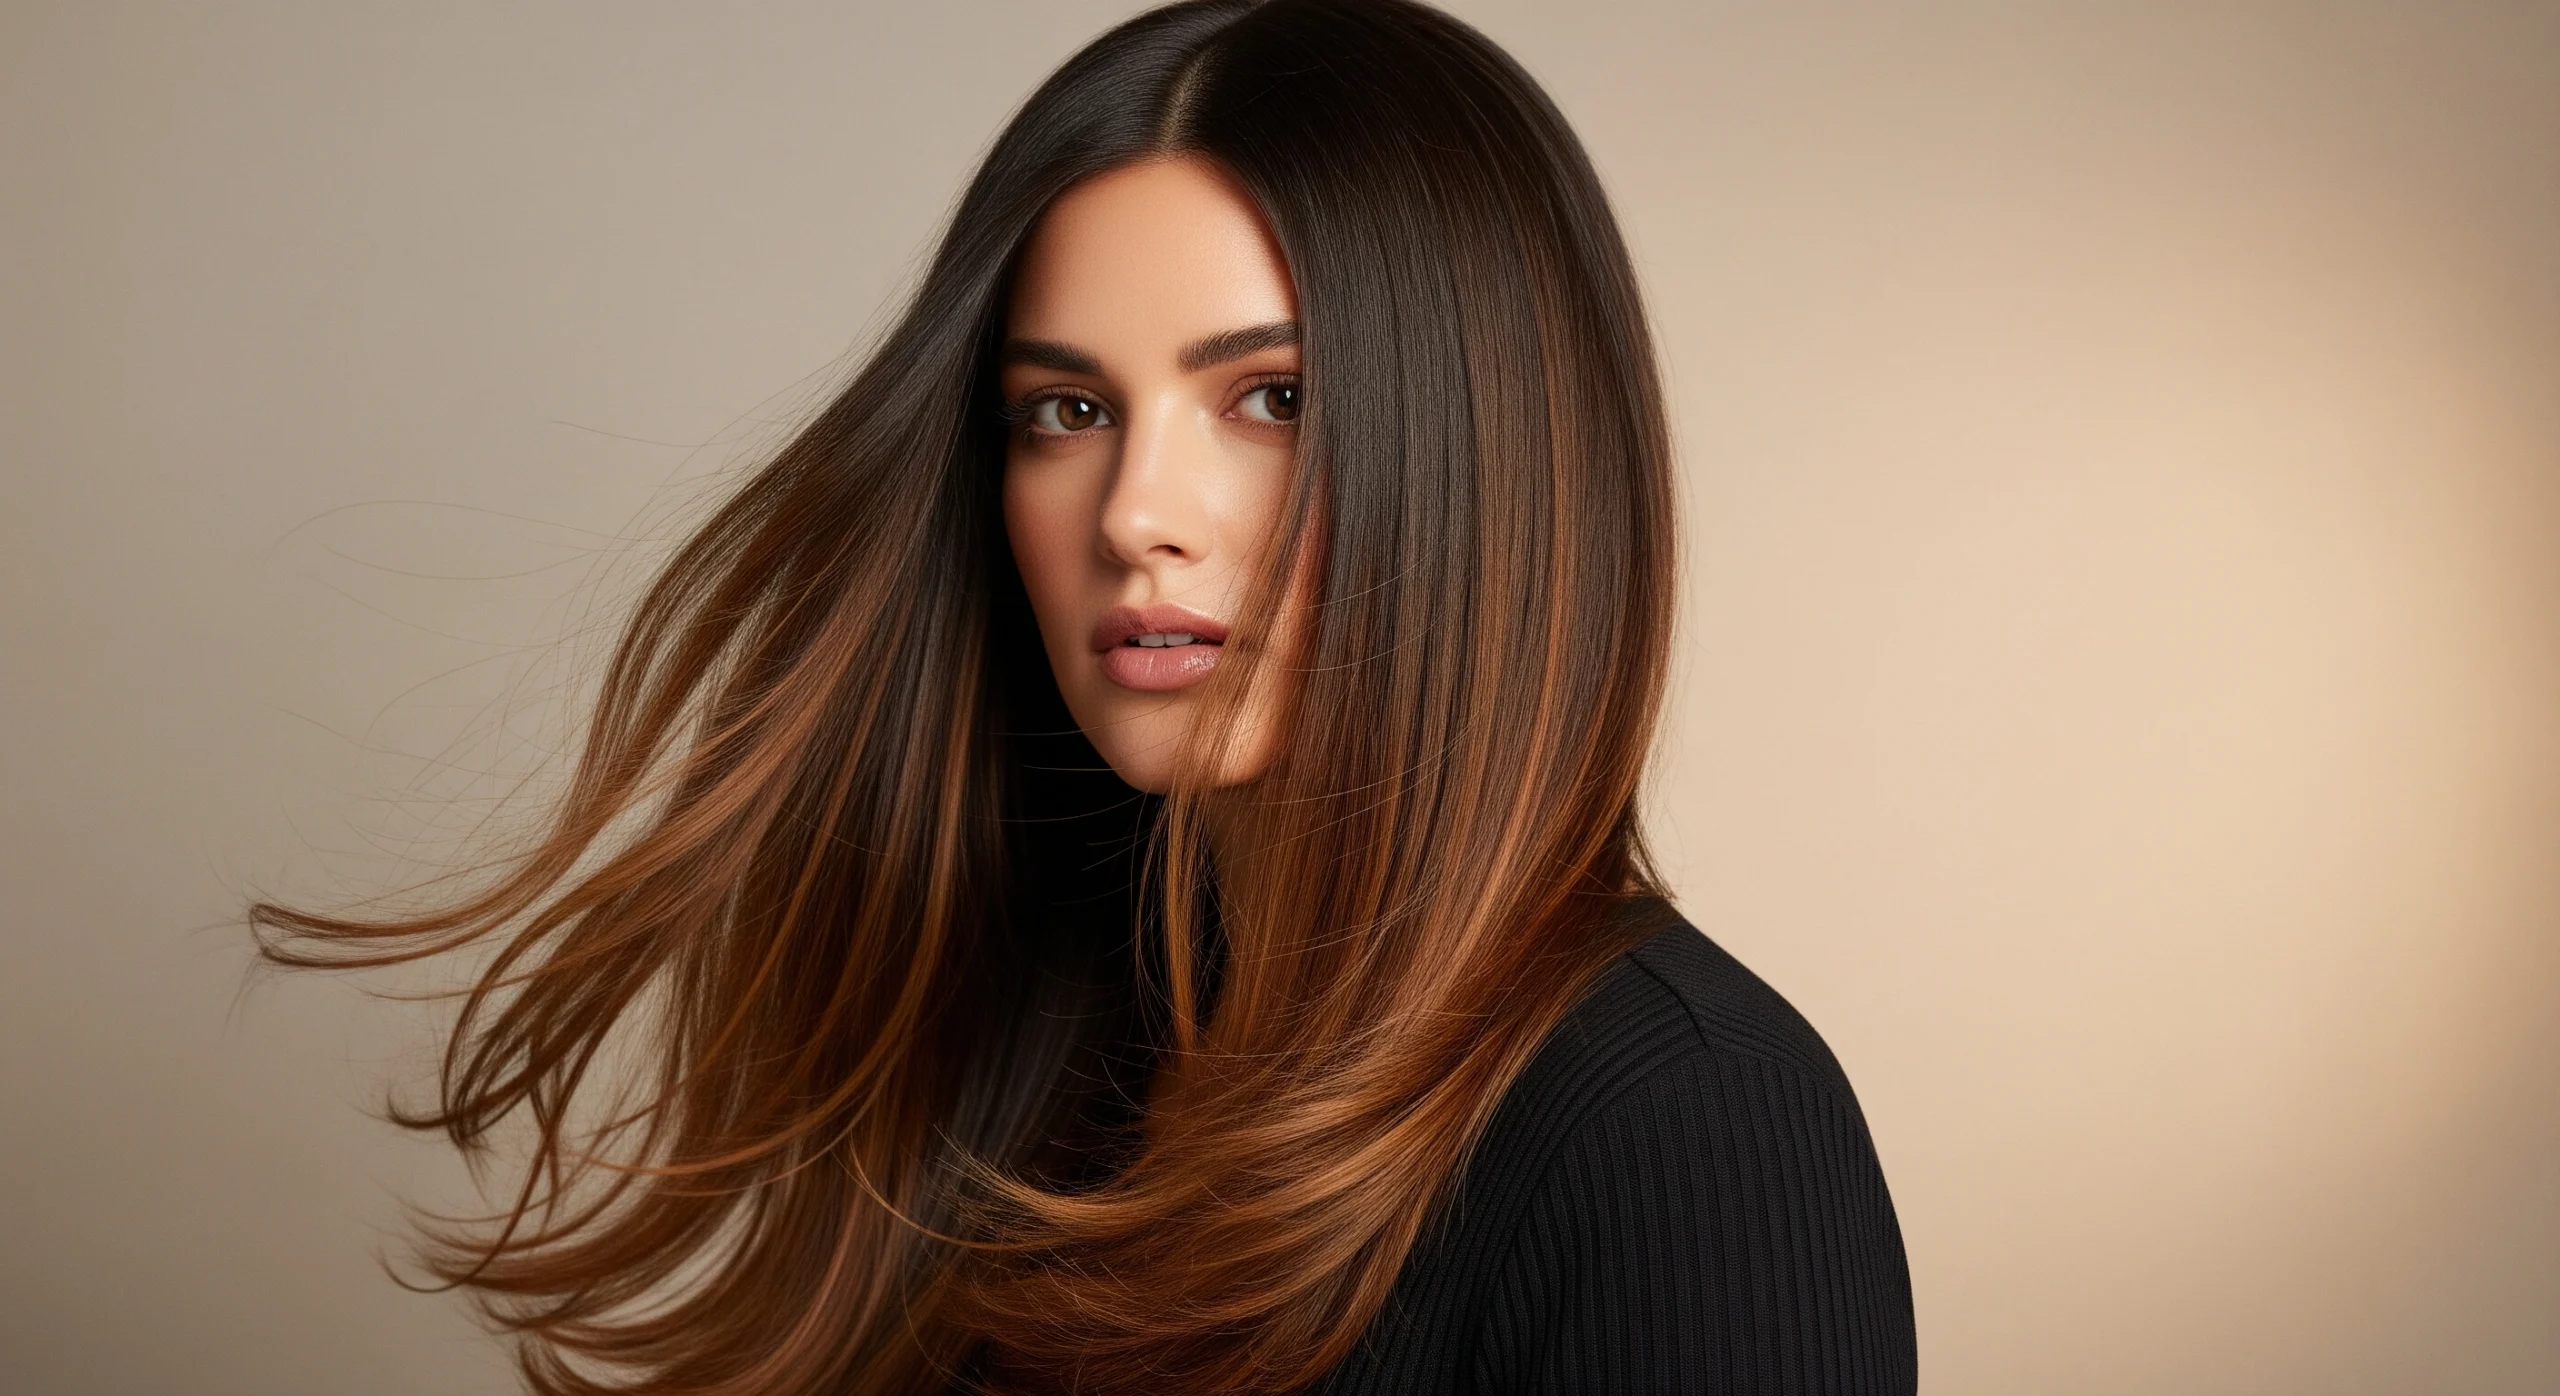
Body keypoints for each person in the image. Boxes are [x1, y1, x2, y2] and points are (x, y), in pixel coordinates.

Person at [253, 1, 1917, 1392]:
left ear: (1496, 455)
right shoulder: (1042, 1028)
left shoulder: (1688, 1129)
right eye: (1064, 412)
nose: (1135, 514)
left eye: (1269, 396)